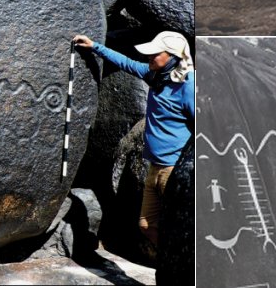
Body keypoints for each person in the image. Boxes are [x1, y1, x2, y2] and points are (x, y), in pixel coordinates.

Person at [72, 31, 195, 246]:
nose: (149, 57)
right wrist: (95, 46)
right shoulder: (156, 75)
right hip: (154, 167)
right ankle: (170, 264)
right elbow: (127, 63)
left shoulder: (187, 85)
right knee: (147, 225)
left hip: (174, 171)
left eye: (155, 53)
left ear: (173, 57)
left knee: (181, 228)